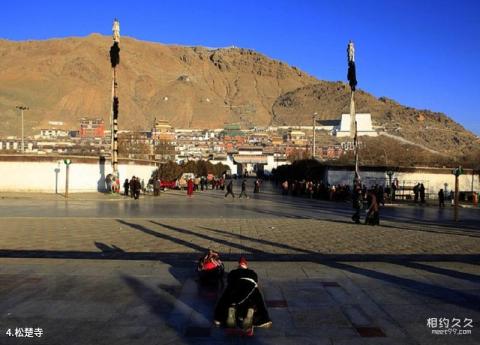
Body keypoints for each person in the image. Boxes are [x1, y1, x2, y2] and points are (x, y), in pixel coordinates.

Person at [214, 256, 271, 330]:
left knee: (225, 299)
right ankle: (252, 314)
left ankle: (223, 316)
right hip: (249, 284)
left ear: (238, 266)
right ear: (246, 266)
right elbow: (256, 281)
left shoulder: (233, 272)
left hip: (236, 284)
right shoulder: (252, 273)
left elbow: (229, 281)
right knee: (257, 299)